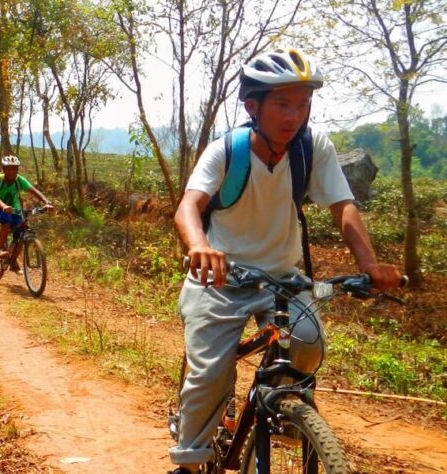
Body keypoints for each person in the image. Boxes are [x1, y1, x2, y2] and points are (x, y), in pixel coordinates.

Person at [169, 48, 402, 474]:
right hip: (219, 279)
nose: (294, 115)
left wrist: (370, 263)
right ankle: (188, 462)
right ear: (252, 106)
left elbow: (342, 205)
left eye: (303, 104)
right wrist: (199, 245)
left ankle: (285, 413)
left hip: (283, 279)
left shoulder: (312, 149)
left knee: (309, 344)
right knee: (209, 374)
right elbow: (189, 205)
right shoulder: (227, 150)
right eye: (282, 103)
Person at [0, 155, 53, 272]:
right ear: (3, 169)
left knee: (23, 231)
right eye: (9, 169)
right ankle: (2, 249)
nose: (12, 171)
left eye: (14, 169)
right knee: (7, 221)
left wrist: (47, 202)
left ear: (17, 170)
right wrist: (3, 206)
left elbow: (34, 191)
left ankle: (12, 261)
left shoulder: (19, 180)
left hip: (14, 209)